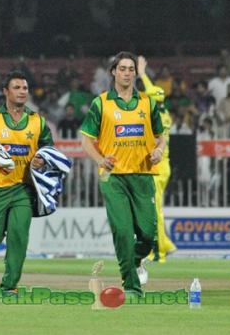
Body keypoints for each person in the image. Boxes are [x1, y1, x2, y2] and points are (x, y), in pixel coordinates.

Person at [80, 52, 165, 296]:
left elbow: (161, 136)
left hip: (143, 175)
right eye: (123, 69)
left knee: (148, 235)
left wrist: (158, 150)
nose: (127, 73)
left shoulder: (147, 103)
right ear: (113, 72)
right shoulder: (102, 103)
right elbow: (86, 140)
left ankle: (135, 260)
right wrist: (101, 160)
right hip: (113, 177)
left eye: (131, 69)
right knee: (124, 233)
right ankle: (131, 286)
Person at [0, 70, 53, 294]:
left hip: (23, 188)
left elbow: (48, 149)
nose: (22, 91)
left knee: (18, 236)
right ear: (5, 91)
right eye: (17, 87)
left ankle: (10, 285)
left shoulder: (37, 122)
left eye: (25, 88)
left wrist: (42, 159)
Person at [138, 55, 176, 263]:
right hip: (162, 165)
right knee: (153, 209)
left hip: (157, 166)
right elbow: (153, 92)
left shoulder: (155, 118)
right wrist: (143, 75)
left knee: (155, 210)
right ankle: (166, 244)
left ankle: (159, 252)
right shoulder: (164, 112)